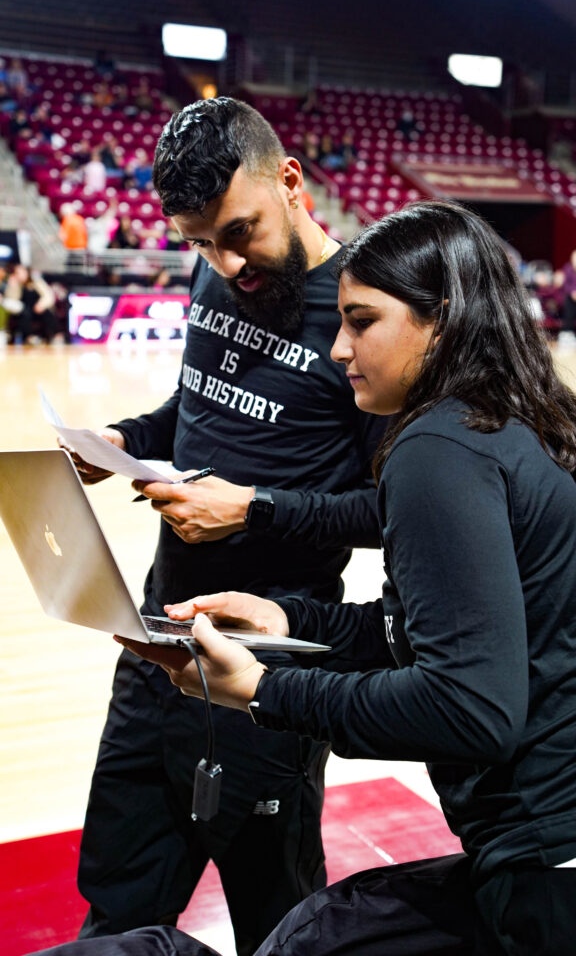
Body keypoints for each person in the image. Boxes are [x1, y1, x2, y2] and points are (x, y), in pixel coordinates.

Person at [41, 200, 576, 956]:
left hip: (545, 855)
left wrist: (262, 690)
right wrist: (292, 623)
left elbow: (470, 707)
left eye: (361, 322)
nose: (337, 347)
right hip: (538, 841)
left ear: (444, 319)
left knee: (298, 926)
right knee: (319, 926)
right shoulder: (498, 422)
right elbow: (427, 627)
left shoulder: (437, 451)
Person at [62, 97, 384, 955]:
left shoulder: (367, 313)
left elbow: (397, 511)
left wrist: (253, 507)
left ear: (290, 180)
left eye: (240, 230)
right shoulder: (216, 270)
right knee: (119, 907)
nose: (226, 260)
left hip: (268, 667)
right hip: (156, 638)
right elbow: (195, 411)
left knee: (279, 926)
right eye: (201, 241)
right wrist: (124, 442)